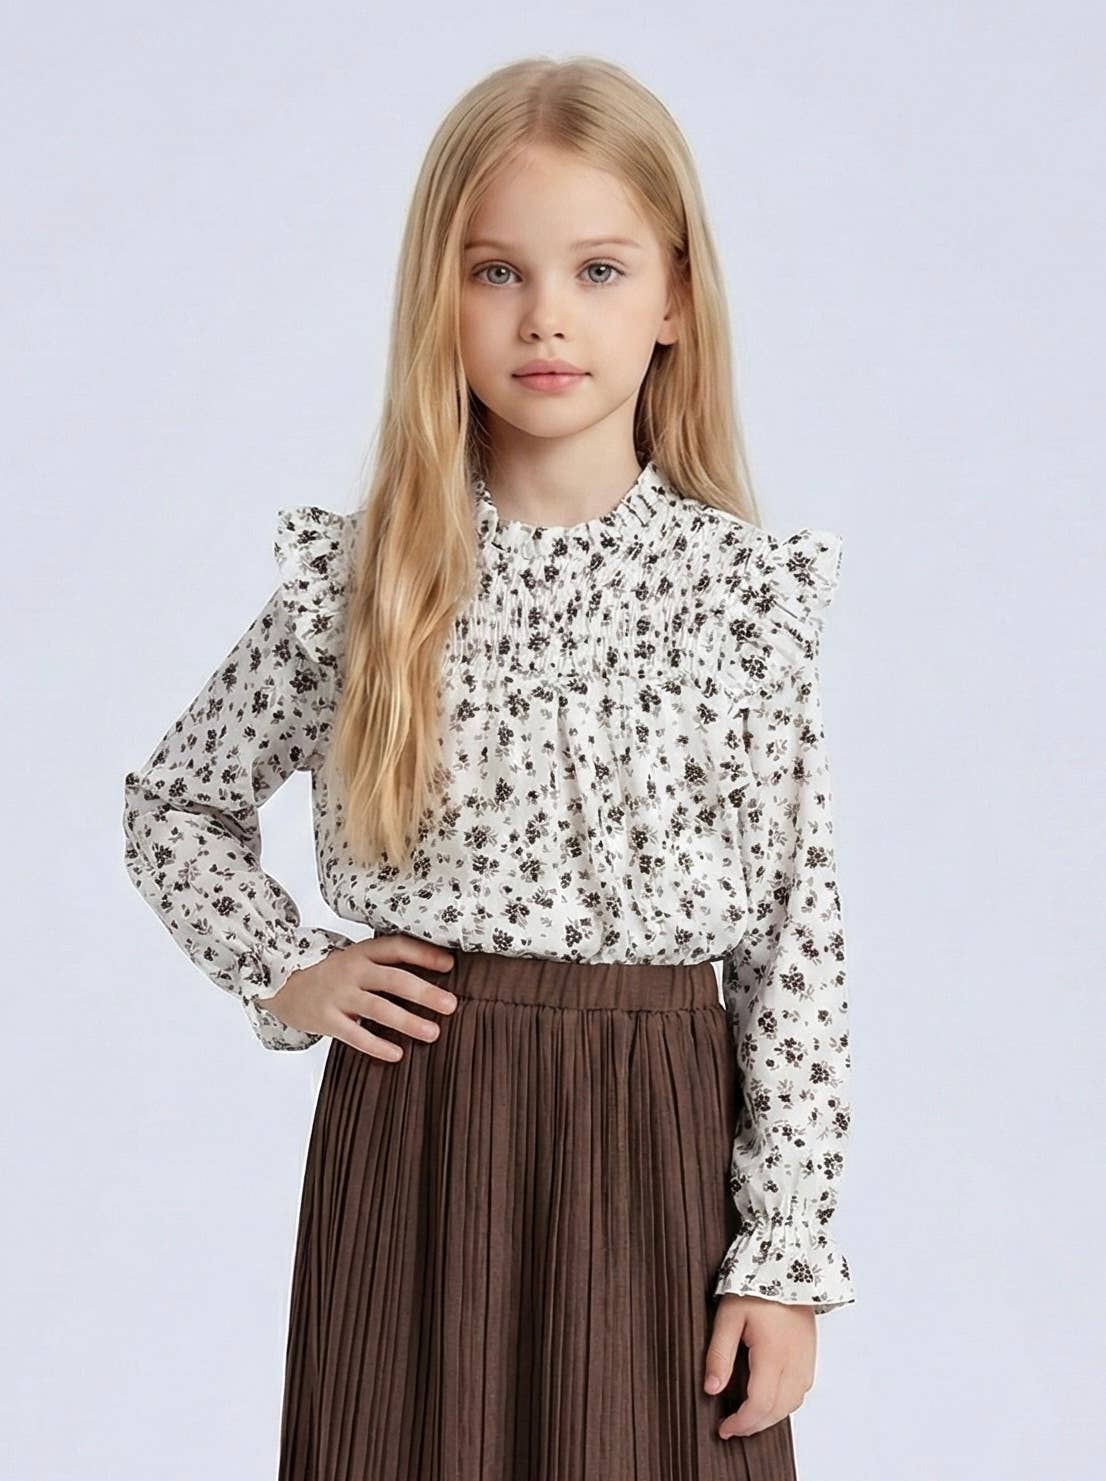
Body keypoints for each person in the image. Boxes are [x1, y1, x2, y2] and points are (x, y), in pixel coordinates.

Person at [122, 53, 855, 1481]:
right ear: (438, 298)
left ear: (675, 297)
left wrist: (783, 1255)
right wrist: (288, 969)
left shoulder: (738, 598)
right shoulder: (370, 583)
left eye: (597, 269)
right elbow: (175, 805)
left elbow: (792, 940)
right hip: (425, 1126)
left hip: (657, 1136)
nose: (546, 318)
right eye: (496, 272)